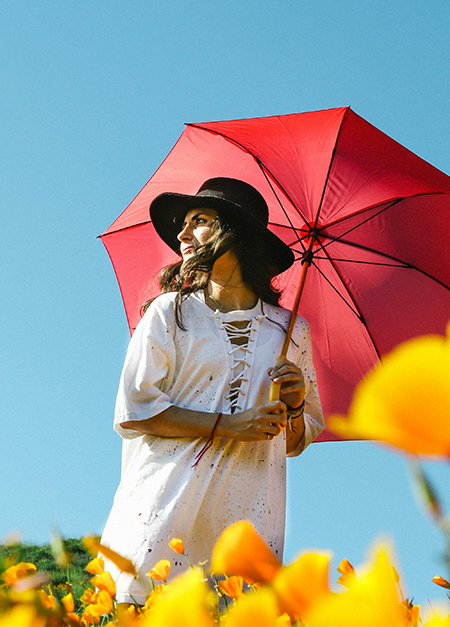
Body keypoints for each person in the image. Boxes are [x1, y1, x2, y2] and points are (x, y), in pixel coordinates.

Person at [100, 177, 324, 602]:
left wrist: (294, 407)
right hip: (163, 503)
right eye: (183, 224)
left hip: (247, 511)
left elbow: (295, 440)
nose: (182, 234)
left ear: (236, 233)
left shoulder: (291, 331)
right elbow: (135, 410)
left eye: (199, 221)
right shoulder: (171, 313)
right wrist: (229, 425)